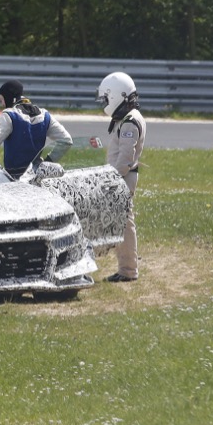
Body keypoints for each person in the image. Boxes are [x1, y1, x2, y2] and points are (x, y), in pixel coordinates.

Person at [96, 71, 146, 283]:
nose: (105, 103)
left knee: (124, 223)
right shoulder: (128, 117)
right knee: (120, 223)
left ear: (116, 95)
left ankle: (128, 270)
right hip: (121, 178)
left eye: (106, 98)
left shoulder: (129, 121)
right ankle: (127, 266)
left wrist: (111, 179)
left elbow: (126, 157)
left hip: (122, 179)